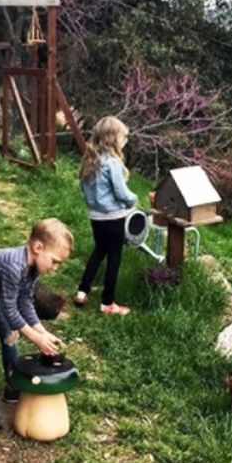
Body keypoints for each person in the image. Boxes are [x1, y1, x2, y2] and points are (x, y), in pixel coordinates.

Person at [0, 219, 72, 430]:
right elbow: (10, 311)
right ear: (38, 248)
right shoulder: (13, 266)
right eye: (55, 261)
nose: (55, 268)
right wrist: (36, 338)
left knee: (11, 336)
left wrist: (43, 332)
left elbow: (25, 302)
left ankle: (13, 385)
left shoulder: (32, 269)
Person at [73, 116, 138, 316]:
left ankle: (82, 291)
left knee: (98, 252)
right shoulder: (112, 163)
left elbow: (86, 190)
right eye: (123, 136)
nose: (125, 140)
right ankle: (107, 304)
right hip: (114, 218)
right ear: (113, 139)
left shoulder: (90, 160)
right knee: (114, 259)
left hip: (96, 218)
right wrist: (133, 200)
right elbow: (120, 192)